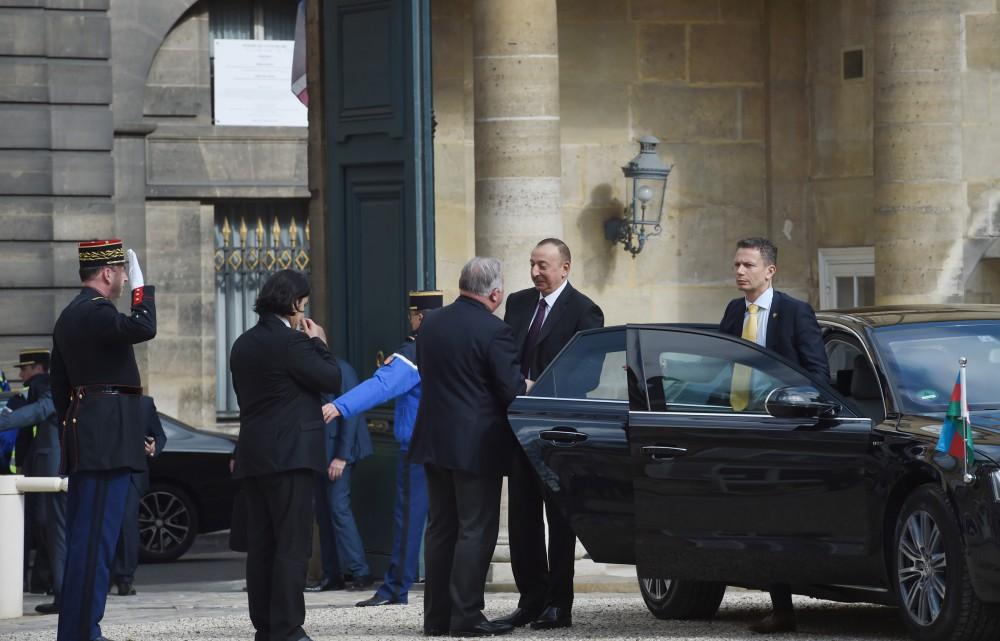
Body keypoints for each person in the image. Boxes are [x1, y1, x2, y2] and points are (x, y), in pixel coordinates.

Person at [409, 258, 526, 638]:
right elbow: (509, 390)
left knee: (441, 528)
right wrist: (529, 384)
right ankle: (467, 616)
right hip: (476, 445)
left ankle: (437, 619)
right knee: (476, 529)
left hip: (433, 439)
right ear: (495, 294)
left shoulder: (431, 324)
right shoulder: (496, 330)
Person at [719, 236, 829, 634]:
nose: (739, 272)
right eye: (736, 265)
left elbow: (818, 375)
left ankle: (783, 607)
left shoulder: (795, 313)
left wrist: (787, 402)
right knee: (748, 518)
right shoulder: (734, 312)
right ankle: (774, 602)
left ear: (770, 271)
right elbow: (721, 366)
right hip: (739, 427)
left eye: (747, 265)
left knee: (775, 519)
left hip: (781, 430)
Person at [51, 239, 156, 641]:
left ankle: (76, 631)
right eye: (124, 272)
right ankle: (83, 633)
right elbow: (144, 327)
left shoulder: (69, 316)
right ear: (107, 273)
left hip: (95, 437)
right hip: (105, 441)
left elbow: (61, 390)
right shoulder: (95, 312)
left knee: (88, 541)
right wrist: (142, 293)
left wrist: (82, 427)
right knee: (95, 544)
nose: (127, 278)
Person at [229, 269, 342, 641]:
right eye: (303, 305)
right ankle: (288, 628)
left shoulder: (242, 343)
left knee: (261, 546)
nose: (303, 313)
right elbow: (330, 379)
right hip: (291, 456)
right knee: (292, 546)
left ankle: (265, 626)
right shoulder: (292, 343)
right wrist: (319, 342)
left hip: (254, 455)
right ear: (294, 303)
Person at [497, 238, 603, 631]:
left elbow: (587, 376)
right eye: (532, 264)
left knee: (559, 522)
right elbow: (505, 355)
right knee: (522, 519)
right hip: (518, 429)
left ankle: (559, 605)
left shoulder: (584, 310)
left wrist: (535, 386)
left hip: (558, 433)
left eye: (543, 265)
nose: (536, 272)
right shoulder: (519, 303)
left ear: (565, 268)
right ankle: (530, 601)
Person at [321, 290, 443, 607]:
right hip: (450, 447)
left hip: (416, 447)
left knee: (409, 522)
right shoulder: (451, 347)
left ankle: (394, 589)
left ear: (417, 318)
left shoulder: (414, 352)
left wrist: (340, 405)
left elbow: (382, 385)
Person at [0, 349, 66, 615]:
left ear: (38, 368)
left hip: (55, 469)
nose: (20, 375)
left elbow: (40, 411)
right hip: (45, 468)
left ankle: (63, 594)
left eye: (24, 369)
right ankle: (60, 590)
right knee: (50, 530)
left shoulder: (49, 385)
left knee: (57, 532)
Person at [323, 356, 372, 591]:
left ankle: (360, 570)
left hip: (340, 454)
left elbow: (351, 412)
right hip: (319, 453)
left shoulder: (342, 369)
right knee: (324, 512)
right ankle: (332, 574)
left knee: (338, 508)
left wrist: (342, 456)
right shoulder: (309, 368)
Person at [111, 396, 167, 596]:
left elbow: (159, 436)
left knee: (127, 524)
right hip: (106, 471)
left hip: (133, 474)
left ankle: (124, 578)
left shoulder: (144, 403)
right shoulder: (102, 401)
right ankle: (106, 576)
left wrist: (153, 448)